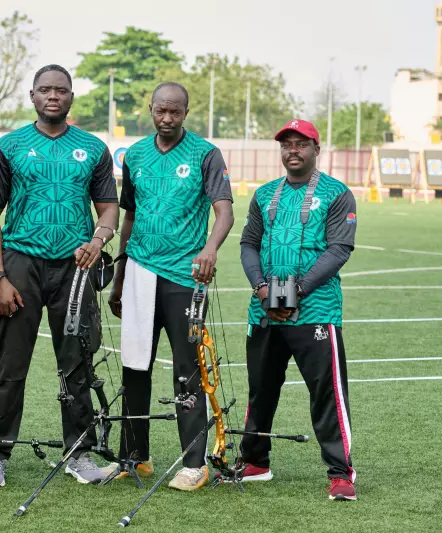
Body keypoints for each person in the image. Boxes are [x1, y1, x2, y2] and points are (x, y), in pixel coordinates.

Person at [0, 64, 119, 486]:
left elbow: (108, 207)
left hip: (75, 267)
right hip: (20, 263)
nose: (53, 96)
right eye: (45, 90)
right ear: (32, 96)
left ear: (71, 98)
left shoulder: (93, 148)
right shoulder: (10, 145)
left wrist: (97, 241)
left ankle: (79, 454)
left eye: (61, 90)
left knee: (76, 362)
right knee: (9, 365)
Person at [106, 82, 235, 491]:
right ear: (150, 109)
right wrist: (120, 278)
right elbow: (129, 217)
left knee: (187, 370)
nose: (166, 118)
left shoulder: (205, 154)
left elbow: (224, 211)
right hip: (140, 272)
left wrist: (210, 248)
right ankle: (134, 456)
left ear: (185, 112)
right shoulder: (137, 155)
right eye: (160, 111)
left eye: (174, 112)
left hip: (184, 275)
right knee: (135, 365)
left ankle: (194, 463)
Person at [238, 119, 357, 501]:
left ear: (316, 149)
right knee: (261, 389)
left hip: (316, 312)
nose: (293, 150)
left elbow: (339, 249)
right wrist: (261, 289)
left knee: (327, 394)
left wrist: (294, 293)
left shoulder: (338, 194)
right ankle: (255, 461)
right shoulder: (264, 194)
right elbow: (248, 244)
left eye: (301, 144)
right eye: (287, 144)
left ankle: (341, 473)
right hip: (263, 312)